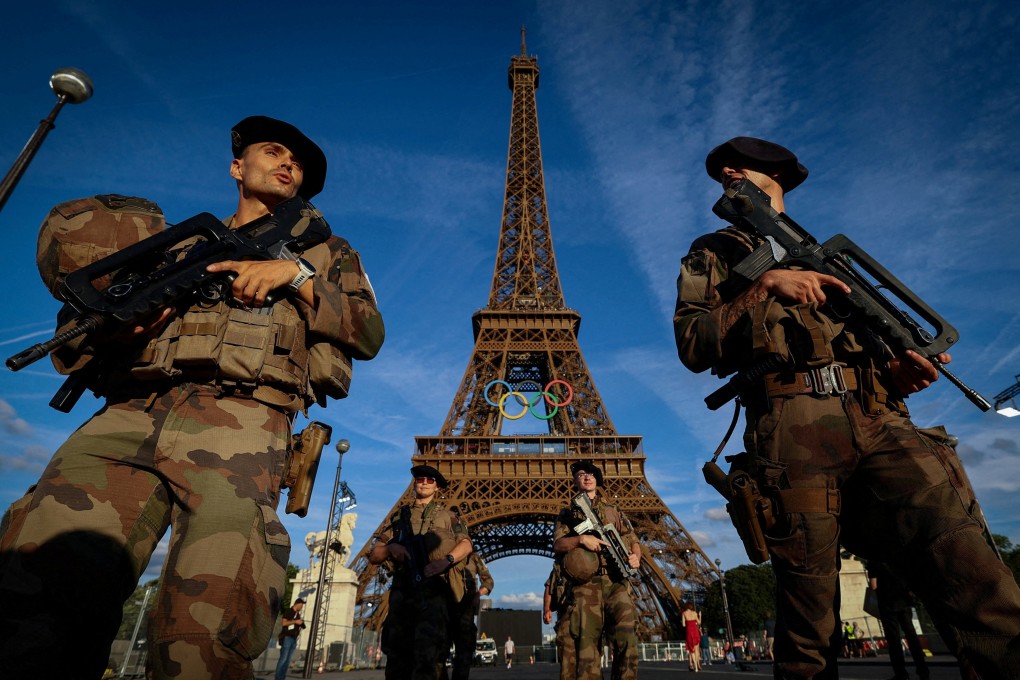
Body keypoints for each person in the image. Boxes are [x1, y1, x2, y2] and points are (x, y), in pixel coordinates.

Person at [0, 116, 385, 679]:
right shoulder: (173, 244)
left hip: (242, 424)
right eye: (273, 151)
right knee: (36, 593)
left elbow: (368, 332)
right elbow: (86, 327)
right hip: (127, 414)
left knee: (205, 626)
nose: (288, 164)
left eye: (298, 164)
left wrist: (294, 274)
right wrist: (122, 328)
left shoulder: (329, 252)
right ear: (237, 166)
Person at [673, 135, 1020, 678]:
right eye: (721, 172)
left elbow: (874, 349)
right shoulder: (715, 251)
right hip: (793, 422)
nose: (726, 174)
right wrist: (765, 284)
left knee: (970, 566)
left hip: (881, 417)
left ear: (779, 177)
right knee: (810, 618)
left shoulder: (832, 258)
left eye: (741, 168)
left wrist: (902, 373)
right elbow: (693, 343)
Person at [369, 465, 472, 680]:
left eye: (429, 480)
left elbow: (466, 544)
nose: (424, 482)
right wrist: (391, 548)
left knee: (430, 659)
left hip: (433, 594)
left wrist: (446, 561)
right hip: (402, 594)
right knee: (397, 660)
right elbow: (374, 554)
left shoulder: (449, 517)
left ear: (437, 487)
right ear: (415, 483)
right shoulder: (398, 518)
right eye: (420, 479)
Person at [553, 460, 641, 680]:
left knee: (627, 638)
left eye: (591, 473)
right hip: (586, 585)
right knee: (587, 648)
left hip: (616, 581)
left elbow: (633, 539)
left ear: (597, 479)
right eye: (581, 473)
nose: (587, 476)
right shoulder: (568, 514)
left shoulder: (613, 510)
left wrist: (635, 556)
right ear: (575, 480)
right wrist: (581, 539)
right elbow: (558, 544)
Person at [868, 562, 930, 680]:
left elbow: (873, 585)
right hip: (904, 602)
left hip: (888, 604)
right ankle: (923, 670)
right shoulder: (895, 554)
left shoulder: (874, 560)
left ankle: (901, 673)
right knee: (912, 637)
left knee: (894, 641)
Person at [450, 552, 494, 680]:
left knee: (464, 655)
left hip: (464, 613)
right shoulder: (440, 553)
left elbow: (489, 581)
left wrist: (478, 594)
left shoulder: (474, 557)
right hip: (442, 610)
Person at [544, 559, 576, 680]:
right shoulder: (560, 565)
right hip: (566, 620)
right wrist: (547, 609)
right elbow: (549, 586)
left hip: (589, 620)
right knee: (567, 669)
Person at [275, 598, 306, 680]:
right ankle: (278, 678)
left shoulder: (297, 614)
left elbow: (302, 626)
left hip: (294, 638)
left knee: (288, 660)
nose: (302, 607)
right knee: (283, 659)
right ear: (297, 604)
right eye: (301, 605)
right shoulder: (289, 611)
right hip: (287, 637)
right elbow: (284, 623)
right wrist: (295, 622)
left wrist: (301, 623)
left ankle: (282, 677)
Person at [681, 601, 702, 671]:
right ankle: (697, 664)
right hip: (695, 631)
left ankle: (695, 667)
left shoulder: (684, 613)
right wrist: (700, 616)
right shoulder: (695, 613)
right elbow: (699, 623)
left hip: (689, 632)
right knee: (696, 650)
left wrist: (687, 623)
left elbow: (683, 625)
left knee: (691, 651)